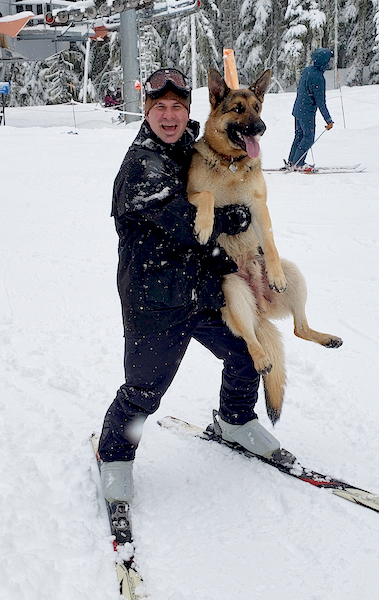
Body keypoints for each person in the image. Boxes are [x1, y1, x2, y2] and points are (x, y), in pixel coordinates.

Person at [98, 67, 281, 505]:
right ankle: (115, 455)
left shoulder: (188, 147)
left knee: (244, 351)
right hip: (154, 298)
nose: (169, 116)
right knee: (144, 391)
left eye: (177, 108)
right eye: (159, 107)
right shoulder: (140, 165)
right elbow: (182, 222)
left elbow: (217, 164)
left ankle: (235, 420)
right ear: (146, 112)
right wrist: (229, 220)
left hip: (199, 286)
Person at [286, 48, 334, 171]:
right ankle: (299, 163)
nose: (329, 63)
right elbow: (320, 102)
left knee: (299, 136)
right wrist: (328, 120)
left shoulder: (307, 70)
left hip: (298, 109)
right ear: (323, 62)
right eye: (328, 61)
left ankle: (292, 161)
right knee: (308, 137)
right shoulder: (318, 78)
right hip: (307, 112)